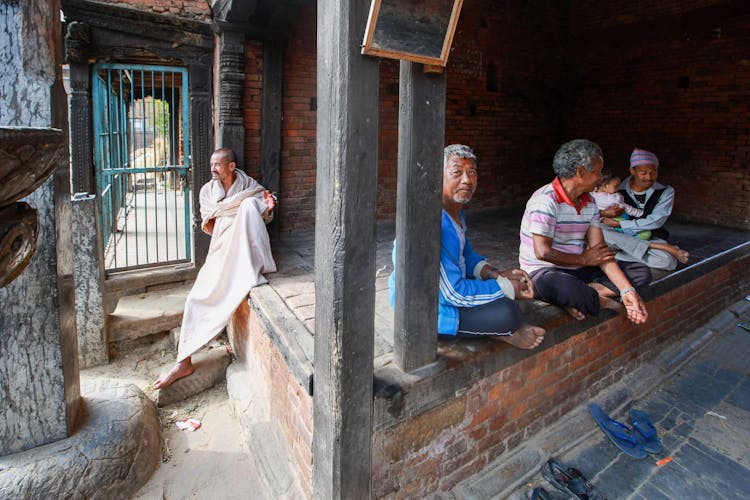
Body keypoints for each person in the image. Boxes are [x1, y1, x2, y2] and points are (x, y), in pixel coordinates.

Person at [389, 144, 545, 349]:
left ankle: (499, 326)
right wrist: (506, 287)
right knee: (509, 314)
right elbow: (454, 293)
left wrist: (495, 274)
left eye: (472, 172)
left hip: (446, 289)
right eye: (457, 172)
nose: (467, 180)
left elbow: (466, 253)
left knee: (510, 296)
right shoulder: (433, 223)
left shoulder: (454, 210)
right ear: (439, 176)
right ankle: (503, 332)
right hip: (426, 308)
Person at [153, 148, 277, 389]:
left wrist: (262, 206)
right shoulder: (207, 191)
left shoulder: (249, 187)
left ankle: (184, 360)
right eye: (211, 164)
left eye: (218, 165)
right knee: (196, 298)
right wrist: (235, 211)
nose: (213, 169)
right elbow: (209, 221)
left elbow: (263, 208)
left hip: (244, 247)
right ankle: (184, 360)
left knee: (251, 206)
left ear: (231, 166)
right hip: (222, 246)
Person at [519, 139, 649, 323]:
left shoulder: (590, 202)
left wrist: (628, 291)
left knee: (640, 271)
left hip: (578, 269)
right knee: (563, 287)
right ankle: (600, 301)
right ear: (580, 173)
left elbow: (600, 251)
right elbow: (542, 252)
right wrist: (585, 259)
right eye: (597, 172)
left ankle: (577, 298)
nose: (599, 177)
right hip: (545, 271)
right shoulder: (545, 201)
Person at [598, 148, 685, 270]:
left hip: (646, 236)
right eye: (643, 172)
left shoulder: (665, 191)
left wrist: (621, 224)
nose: (649, 177)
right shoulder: (616, 190)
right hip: (618, 237)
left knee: (668, 261)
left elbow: (656, 220)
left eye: (653, 172)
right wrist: (604, 214)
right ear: (632, 171)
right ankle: (653, 248)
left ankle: (618, 255)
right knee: (599, 232)